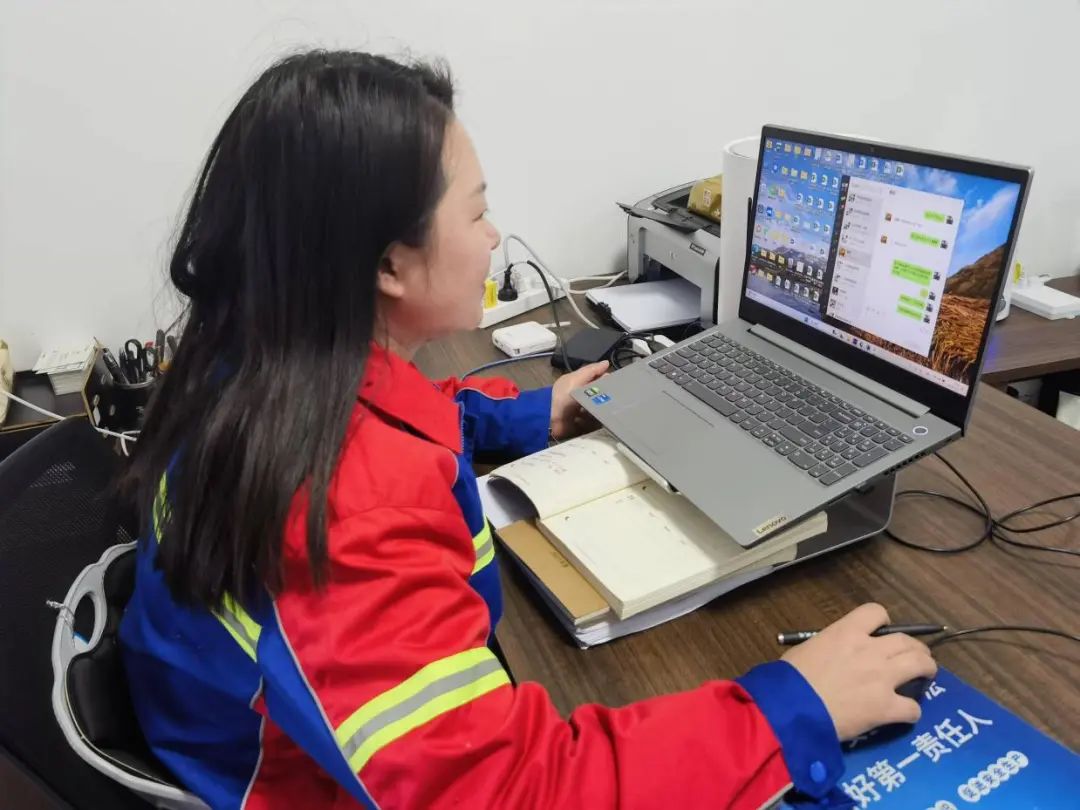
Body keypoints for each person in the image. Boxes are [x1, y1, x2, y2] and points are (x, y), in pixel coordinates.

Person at [120, 50, 937, 810]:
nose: (491, 238)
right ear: (388, 264)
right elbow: (508, 792)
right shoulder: (345, 509)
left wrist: (525, 416)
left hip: (243, 736)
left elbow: (387, 414)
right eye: (477, 212)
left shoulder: (253, 364)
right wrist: (793, 709)